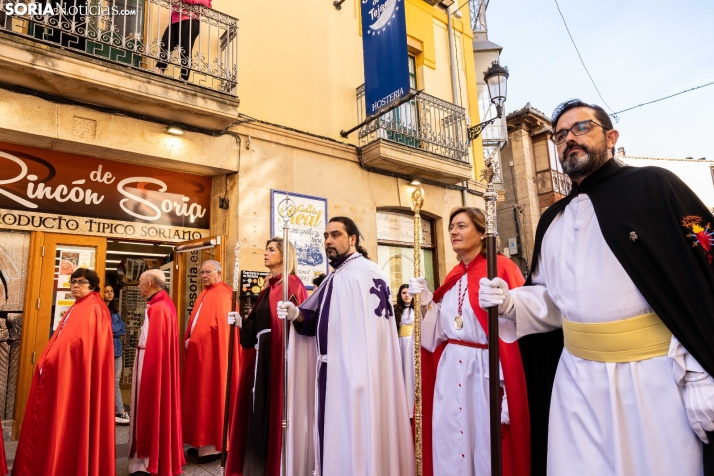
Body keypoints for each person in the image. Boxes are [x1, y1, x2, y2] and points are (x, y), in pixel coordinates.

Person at [479, 99, 714, 476]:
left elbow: (698, 282)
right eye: (559, 135)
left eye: (581, 128)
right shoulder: (552, 220)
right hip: (576, 382)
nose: (569, 138)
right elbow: (555, 302)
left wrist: (702, 374)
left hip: (654, 380)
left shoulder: (654, 187)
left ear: (611, 136)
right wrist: (511, 303)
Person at [278, 216, 415, 476]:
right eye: (326, 236)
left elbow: (368, 333)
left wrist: (357, 371)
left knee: (357, 435)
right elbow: (323, 322)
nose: (328, 240)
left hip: (355, 373)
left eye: (335, 235)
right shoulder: (337, 277)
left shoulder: (364, 273)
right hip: (333, 370)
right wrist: (297, 314)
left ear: (352, 239)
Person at [408, 207, 530, 476]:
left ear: (482, 232)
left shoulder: (502, 269)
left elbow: (518, 334)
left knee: (485, 445)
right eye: (451, 226)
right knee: (450, 440)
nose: (453, 231)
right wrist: (428, 301)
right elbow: (439, 334)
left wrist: (509, 393)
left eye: (461, 226)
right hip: (451, 374)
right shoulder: (454, 276)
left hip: (484, 375)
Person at [13, 268, 114, 476]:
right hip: (64, 373)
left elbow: (76, 344)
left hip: (75, 377)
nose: (76, 285)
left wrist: (50, 361)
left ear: (93, 286)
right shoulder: (79, 305)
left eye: (81, 282)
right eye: (73, 281)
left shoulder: (93, 308)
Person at [225, 238, 309, 476]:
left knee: (273, 410)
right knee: (256, 410)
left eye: (271, 250)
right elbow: (257, 326)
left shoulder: (291, 284)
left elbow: (298, 324)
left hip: (277, 359)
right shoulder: (268, 288)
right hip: (261, 358)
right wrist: (242, 323)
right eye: (266, 249)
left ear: (285, 255)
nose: (265, 253)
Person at [128, 269, 184, 476]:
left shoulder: (159, 307)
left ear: (150, 283)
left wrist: (151, 373)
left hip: (149, 363)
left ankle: (147, 462)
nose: (138, 286)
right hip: (146, 358)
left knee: (148, 407)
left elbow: (157, 347)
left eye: (140, 282)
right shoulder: (161, 303)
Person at [182, 260, 238, 464]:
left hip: (212, 357)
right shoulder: (206, 293)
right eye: (202, 272)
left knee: (210, 395)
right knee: (200, 396)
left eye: (208, 272)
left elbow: (218, 329)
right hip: (201, 355)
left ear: (219, 273)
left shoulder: (223, 294)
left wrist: (194, 341)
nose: (203, 275)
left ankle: (214, 445)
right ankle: (201, 441)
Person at [154, 0, 211, 80]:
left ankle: (183, 78)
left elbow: (205, 2)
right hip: (175, 20)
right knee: (166, 43)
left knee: (185, 49)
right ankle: (158, 70)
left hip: (190, 20)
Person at [106, 284, 130, 425]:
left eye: (111, 291)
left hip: (117, 350)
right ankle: (117, 410)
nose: (110, 293)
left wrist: (113, 330)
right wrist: (114, 330)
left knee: (115, 382)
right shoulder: (101, 310)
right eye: (107, 291)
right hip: (106, 350)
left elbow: (123, 328)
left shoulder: (114, 311)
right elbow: (104, 328)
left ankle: (119, 411)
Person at [395, 283, 416, 419]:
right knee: (403, 373)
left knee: (413, 374)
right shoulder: (396, 311)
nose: (407, 295)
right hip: (401, 345)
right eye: (404, 293)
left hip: (414, 344)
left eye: (409, 292)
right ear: (400, 295)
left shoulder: (419, 309)